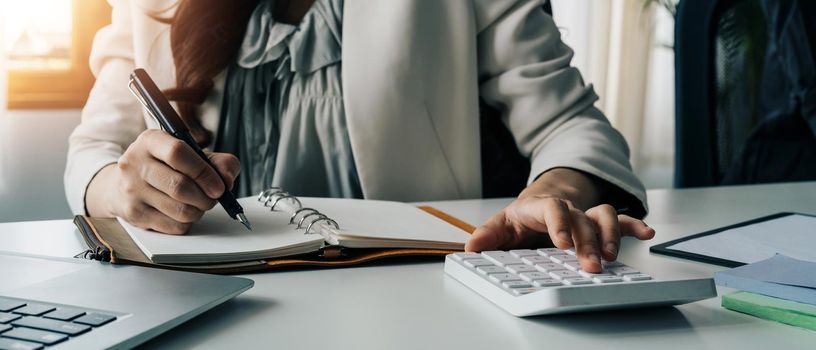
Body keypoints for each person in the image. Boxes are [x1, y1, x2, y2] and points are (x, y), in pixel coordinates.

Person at [65, 0, 654, 273]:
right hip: (213, 288)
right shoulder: (153, 6)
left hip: (416, 285)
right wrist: (120, 191)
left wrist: (554, 194)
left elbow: (570, 124)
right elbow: (94, 148)